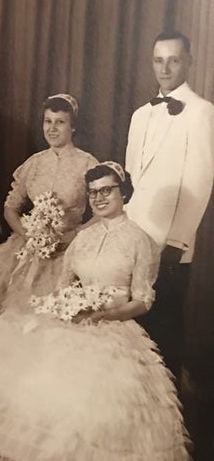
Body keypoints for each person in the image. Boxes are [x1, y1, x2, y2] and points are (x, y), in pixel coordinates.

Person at [0, 162, 189, 461]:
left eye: (107, 190)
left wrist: (105, 314)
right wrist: (65, 305)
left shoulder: (140, 240)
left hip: (113, 325)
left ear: (124, 193)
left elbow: (143, 300)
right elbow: (63, 283)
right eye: (93, 192)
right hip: (71, 317)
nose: (98, 198)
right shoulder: (84, 236)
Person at [0, 94, 98, 331]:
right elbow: (10, 207)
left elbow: (100, 213)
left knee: (53, 319)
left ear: (73, 127)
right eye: (47, 121)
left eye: (60, 122)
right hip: (27, 247)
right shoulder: (34, 163)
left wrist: (74, 236)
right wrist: (28, 234)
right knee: (10, 313)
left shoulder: (87, 164)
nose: (52, 128)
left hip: (69, 248)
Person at [125, 30, 214, 385]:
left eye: (174, 60)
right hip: (134, 235)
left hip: (169, 243)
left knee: (165, 329)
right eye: (158, 60)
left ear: (188, 62)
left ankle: (169, 417)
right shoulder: (140, 115)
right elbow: (133, 178)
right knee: (133, 328)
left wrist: (177, 241)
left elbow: (199, 183)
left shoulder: (202, 112)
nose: (165, 68)